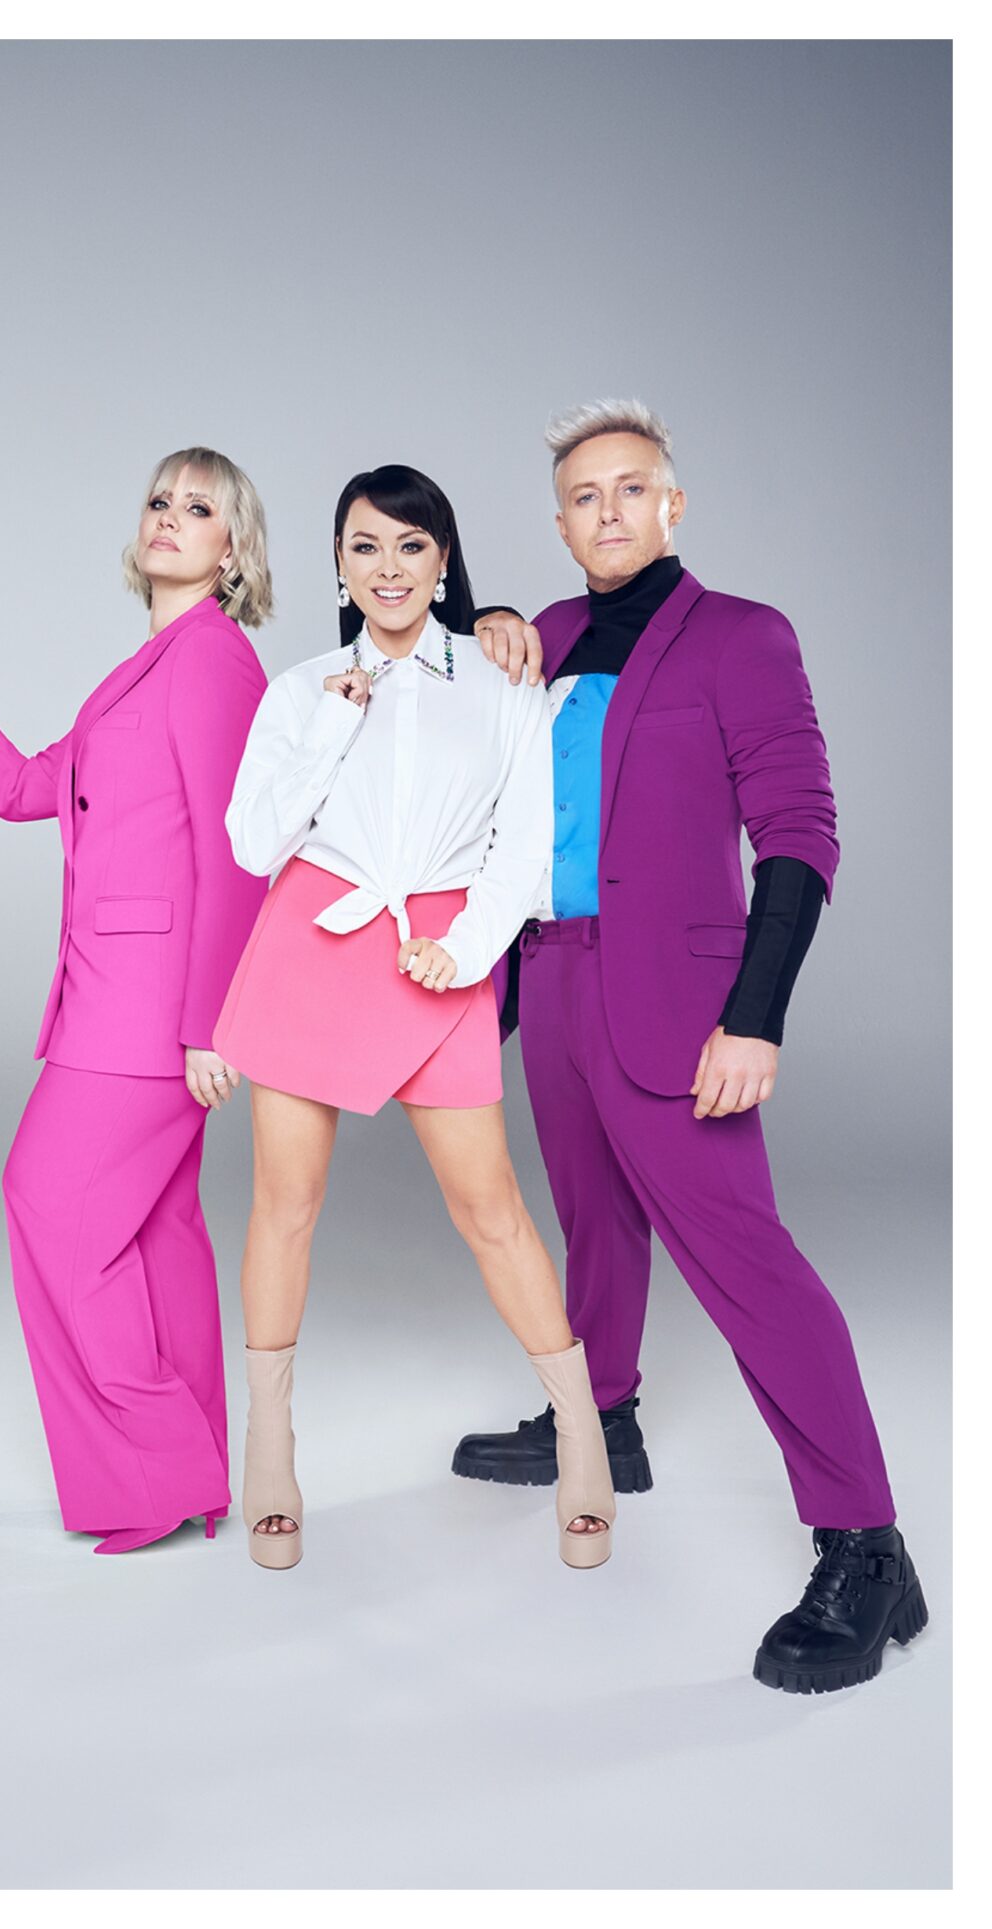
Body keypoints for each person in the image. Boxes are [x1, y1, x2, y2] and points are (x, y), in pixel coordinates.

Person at [457, 400, 924, 1691]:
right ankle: (602, 1423)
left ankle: (864, 1542)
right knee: (592, 1221)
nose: (607, 513)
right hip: (549, 979)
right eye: (583, 497)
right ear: (559, 524)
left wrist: (756, 1016)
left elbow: (800, 834)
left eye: (630, 489)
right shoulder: (538, 639)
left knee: (747, 1264)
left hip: (680, 1001)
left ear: (674, 504)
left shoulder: (741, 638)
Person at [216, 464, 614, 1572]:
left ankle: (581, 1430)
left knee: (490, 1207)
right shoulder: (300, 690)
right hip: (310, 943)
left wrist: (468, 949)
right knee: (282, 1205)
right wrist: (327, 733)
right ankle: (271, 1438)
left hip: (437, 953)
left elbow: (524, 848)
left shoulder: (497, 685)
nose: (387, 569)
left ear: (442, 559)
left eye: (408, 546)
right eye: (363, 548)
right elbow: (255, 846)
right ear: (338, 566)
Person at [0, 447, 270, 1554]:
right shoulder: (145, 669)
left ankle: (157, 1469)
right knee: (156, 1234)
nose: (170, 518)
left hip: (153, 1011)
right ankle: (197, 1479)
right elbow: (25, 788)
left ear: (231, 549)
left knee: (49, 1206)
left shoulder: (212, 663)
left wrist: (209, 1024)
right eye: (160, 500)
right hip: (116, 997)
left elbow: (235, 856)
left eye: (198, 508)